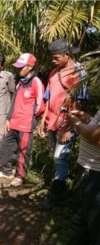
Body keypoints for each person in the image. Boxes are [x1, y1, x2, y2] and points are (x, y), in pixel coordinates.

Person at [38, 38, 90, 209]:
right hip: (52, 120)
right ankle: (57, 187)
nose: (53, 61)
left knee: (61, 158)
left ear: (67, 55)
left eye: (56, 57)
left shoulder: (79, 72)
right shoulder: (54, 72)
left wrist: (69, 128)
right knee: (55, 156)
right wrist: (42, 120)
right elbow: (48, 97)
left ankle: (55, 197)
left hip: (66, 122)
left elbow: (78, 104)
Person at [51, 109, 100, 245]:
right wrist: (87, 120)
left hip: (98, 176)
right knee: (86, 220)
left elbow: (98, 137)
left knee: (96, 225)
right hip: (93, 173)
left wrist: (77, 125)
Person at [0, 53, 45, 186]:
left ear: (30, 67)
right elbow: (14, 102)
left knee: (23, 151)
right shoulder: (19, 82)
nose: (18, 69)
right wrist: (9, 118)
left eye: (21, 67)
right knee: (5, 145)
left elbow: (40, 106)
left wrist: (30, 118)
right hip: (13, 122)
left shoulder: (36, 82)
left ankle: (20, 176)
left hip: (26, 125)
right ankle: (6, 171)